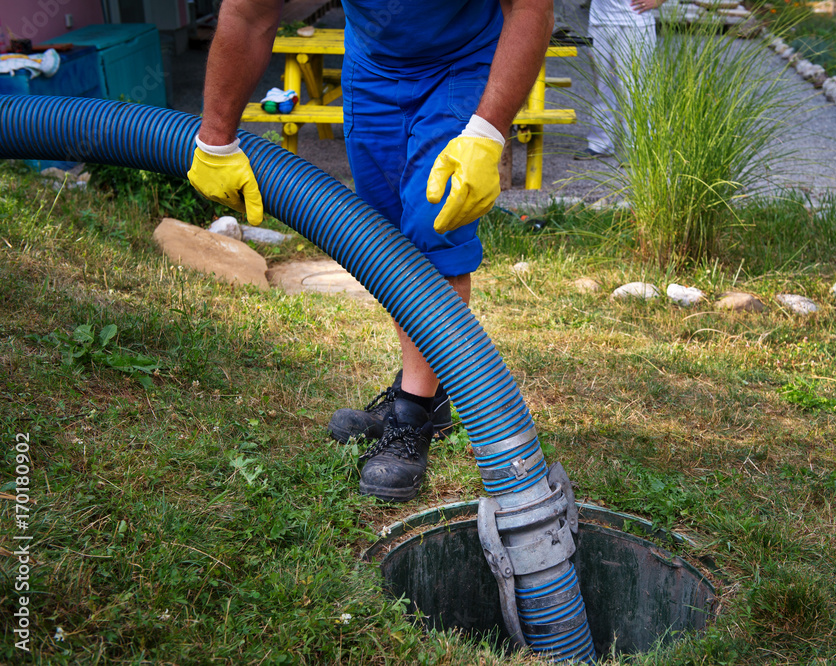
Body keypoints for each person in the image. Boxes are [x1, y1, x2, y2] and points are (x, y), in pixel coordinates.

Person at [187, 0, 554, 502]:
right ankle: (426, 392)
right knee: (387, 240)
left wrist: (487, 134)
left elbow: (531, 7)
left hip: (463, 60)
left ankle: (411, 417)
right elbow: (249, 15)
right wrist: (215, 139)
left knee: (433, 225)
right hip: (373, 64)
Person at [575, 0, 662, 160]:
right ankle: (600, 143)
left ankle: (639, 147)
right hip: (599, 20)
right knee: (601, 85)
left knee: (635, 88)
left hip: (636, 21)